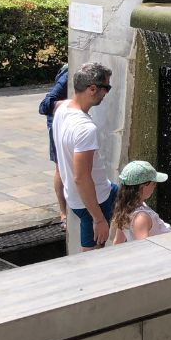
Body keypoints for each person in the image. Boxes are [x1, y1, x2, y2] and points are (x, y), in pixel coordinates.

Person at [52, 62, 116, 251]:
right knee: (92, 254)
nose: (106, 93)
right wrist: (98, 219)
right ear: (92, 88)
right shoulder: (86, 129)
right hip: (94, 201)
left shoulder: (62, 109)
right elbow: (81, 178)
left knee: (130, 197)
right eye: (107, 88)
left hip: (80, 196)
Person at [111, 161, 171, 244]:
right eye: (153, 183)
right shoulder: (140, 218)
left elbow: (117, 242)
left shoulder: (126, 209)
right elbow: (143, 249)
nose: (155, 186)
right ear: (142, 187)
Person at [38, 64, 69, 229]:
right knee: (60, 168)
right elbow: (44, 105)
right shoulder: (69, 75)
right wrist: (70, 104)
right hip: (57, 121)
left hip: (71, 120)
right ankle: (63, 213)